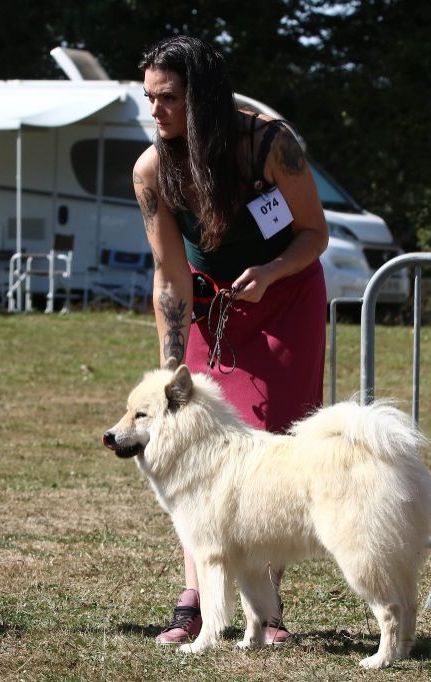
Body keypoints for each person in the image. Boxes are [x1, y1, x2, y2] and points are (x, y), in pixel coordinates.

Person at [132, 35, 329, 645]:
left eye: (167, 98)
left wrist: (270, 274)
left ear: (205, 97)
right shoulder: (151, 170)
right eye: (148, 97)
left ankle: (264, 612)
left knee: (270, 447)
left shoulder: (272, 145)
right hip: (210, 307)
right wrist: (170, 373)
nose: (155, 110)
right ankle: (195, 600)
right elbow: (169, 274)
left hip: (285, 298)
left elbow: (314, 235)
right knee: (194, 449)